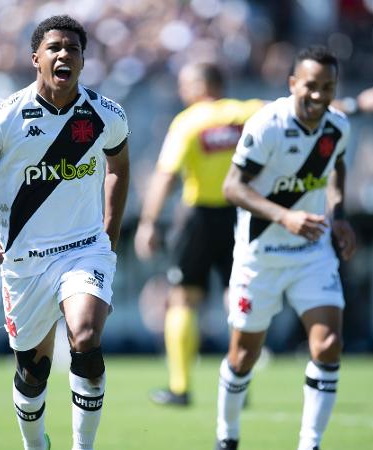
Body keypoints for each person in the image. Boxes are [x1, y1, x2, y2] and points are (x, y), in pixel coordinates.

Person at [0, 15, 130, 450]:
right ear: (36, 58)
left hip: (83, 250)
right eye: (54, 48)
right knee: (33, 374)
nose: (64, 54)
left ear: (84, 60)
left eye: (73, 48)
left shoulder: (105, 114)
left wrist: (110, 232)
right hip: (24, 261)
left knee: (85, 336)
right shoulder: (6, 116)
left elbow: (119, 168)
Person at [215, 45, 356, 450]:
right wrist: (285, 216)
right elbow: (232, 187)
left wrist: (339, 214)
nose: (318, 96)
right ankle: (227, 437)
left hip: (312, 254)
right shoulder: (268, 125)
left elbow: (337, 164)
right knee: (243, 358)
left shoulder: (337, 127)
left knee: (328, 346)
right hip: (259, 255)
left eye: (327, 88)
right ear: (293, 83)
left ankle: (309, 444)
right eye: (310, 86)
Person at [134, 62, 264, 406]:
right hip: (242, 214)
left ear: (201, 85)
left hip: (199, 217)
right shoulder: (247, 112)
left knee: (184, 298)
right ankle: (240, 383)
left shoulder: (189, 121)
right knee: (237, 296)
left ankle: (180, 387)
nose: (181, 90)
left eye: (186, 82)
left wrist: (148, 221)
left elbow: (165, 174)